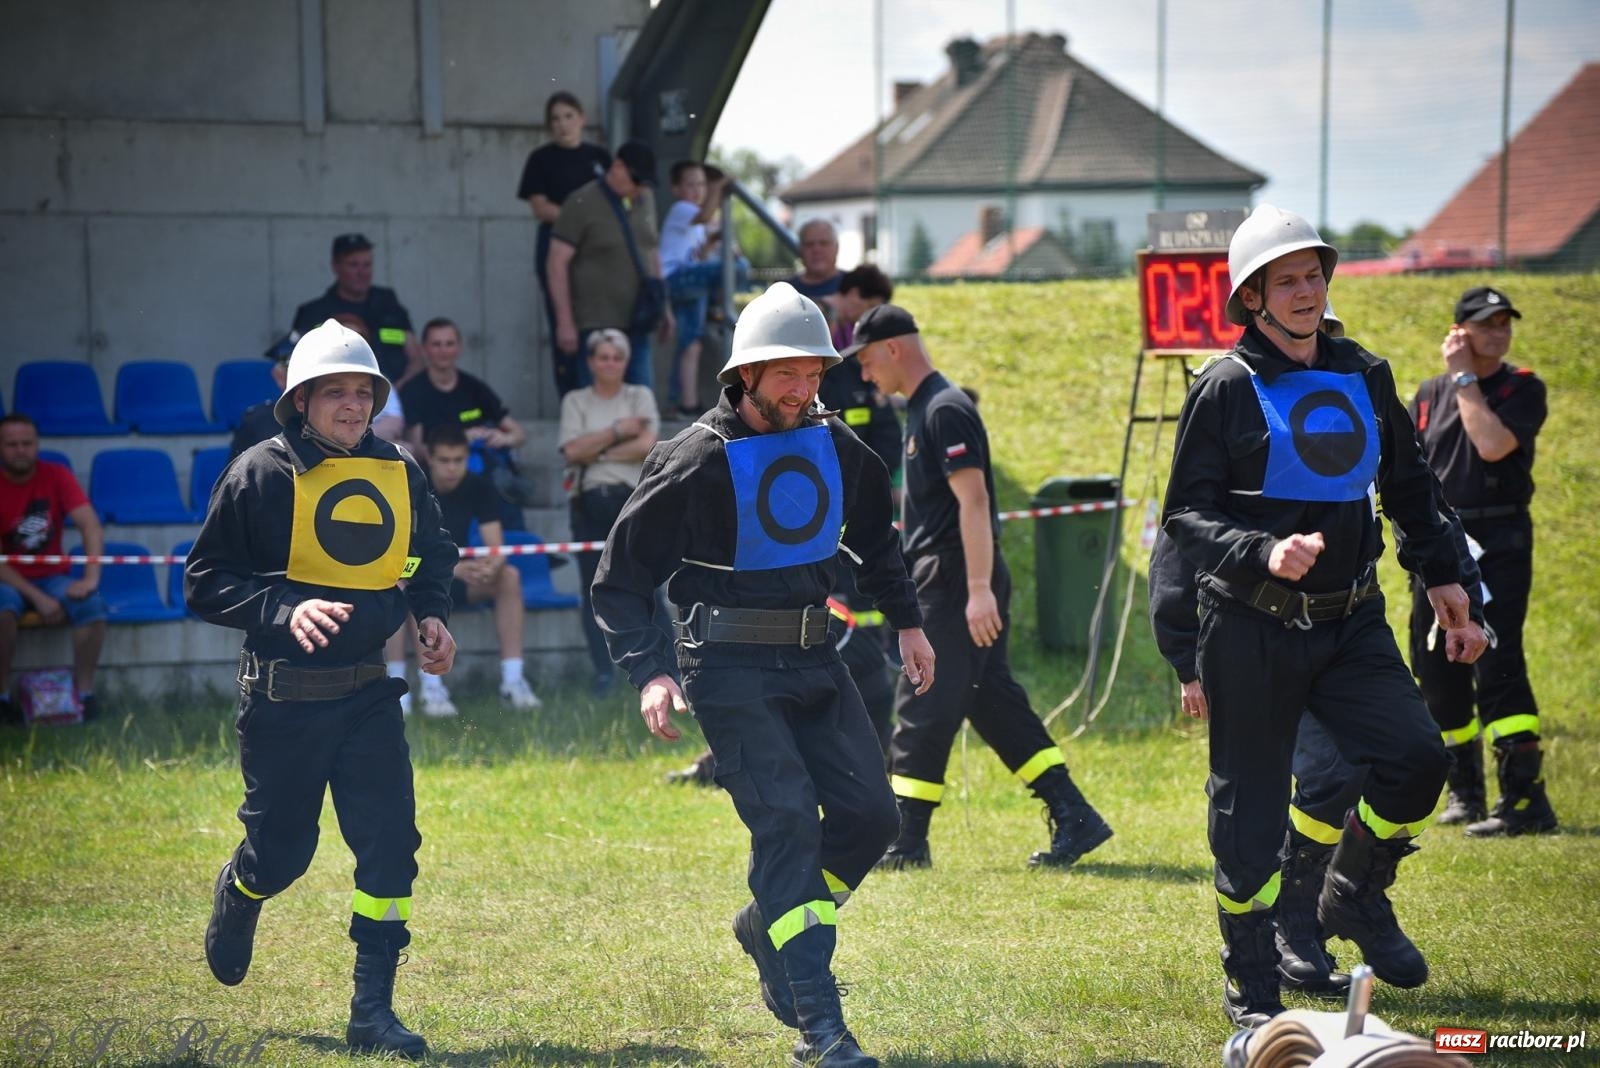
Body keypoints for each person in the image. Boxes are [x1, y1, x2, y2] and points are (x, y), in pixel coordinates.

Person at [590, 282, 935, 1068]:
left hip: (819, 659)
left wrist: (909, 623)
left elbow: (879, 542)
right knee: (784, 821)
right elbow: (619, 578)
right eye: (788, 374)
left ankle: (765, 924)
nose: (805, 390)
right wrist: (650, 672)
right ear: (743, 375)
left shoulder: (839, 446)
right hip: (728, 669)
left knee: (873, 819)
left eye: (815, 374)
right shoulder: (693, 460)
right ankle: (822, 1028)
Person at [1161, 205, 1484, 1027]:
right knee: (1250, 810)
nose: (1306, 292)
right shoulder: (1225, 387)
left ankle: (1352, 892)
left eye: (1314, 275)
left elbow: (1410, 489)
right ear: (1253, 297)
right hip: (1249, 625)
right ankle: (1252, 982)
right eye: (1286, 280)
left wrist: (1444, 579)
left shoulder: (1366, 374)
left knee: (1416, 758)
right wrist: (1259, 552)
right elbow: (1185, 516)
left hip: (1352, 619)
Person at [185, 319, 458, 1059]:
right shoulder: (258, 472)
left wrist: (432, 614)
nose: (351, 405)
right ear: (300, 400)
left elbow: (431, 554)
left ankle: (372, 1010)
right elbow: (203, 581)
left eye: (363, 392)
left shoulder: (400, 470)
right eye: (334, 392)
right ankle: (242, 888)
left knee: (391, 847)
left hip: (369, 695)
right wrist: (282, 607)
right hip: (280, 698)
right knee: (284, 856)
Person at [850, 304, 1112, 872]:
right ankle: (1075, 815)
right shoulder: (925, 409)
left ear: (893, 348)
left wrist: (977, 589)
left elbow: (975, 500)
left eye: (868, 361)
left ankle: (906, 840)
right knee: (992, 703)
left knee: (923, 695)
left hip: (952, 578)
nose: (866, 376)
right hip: (946, 575)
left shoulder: (944, 409)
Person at [1408, 286, 1556, 837]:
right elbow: (1409, 472)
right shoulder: (1426, 395)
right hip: (1440, 544)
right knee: (1437, 671)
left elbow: (1492, 446)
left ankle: (1524, 800)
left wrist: (1465, 379)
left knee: (1496, 662)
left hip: (1499, 539)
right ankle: (1464, 793)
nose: (1498, 331)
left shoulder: (1521, 388)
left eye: (1504, 322)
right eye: (1485, 323)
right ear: (1460, 330)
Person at [383, 423, 541, 717]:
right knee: (402, 582)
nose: (452, 468)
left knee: (509, 577)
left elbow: (495, 547)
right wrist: (453, 569)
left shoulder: (479, 485)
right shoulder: (411, 484)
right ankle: (414, 687)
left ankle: (513, 681)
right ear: (429, 457)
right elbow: (398, 555)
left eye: (459, 460)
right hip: (417, 573)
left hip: (458, 578)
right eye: (444, 460)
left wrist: (491, 565)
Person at [557, 329, 660, 697]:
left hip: (633, 501)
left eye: (617, 357)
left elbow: (647, 444)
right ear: (590, 362)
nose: (610, 363)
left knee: (646, 588)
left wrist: (596, 449)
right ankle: (604, 675)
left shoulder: (640, 395)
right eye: (603, 357)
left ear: (626, 362)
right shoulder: (575, 400)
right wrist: (619, 431)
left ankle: (664, 671)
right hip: (588, 503)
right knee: (594, 592)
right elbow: (570, 452)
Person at [0, 414, 109, 723]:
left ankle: (83, 697)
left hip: (52, 576)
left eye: (27, 443)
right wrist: (38, 598)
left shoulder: (56, 475)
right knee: (2, 608)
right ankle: (3, 698)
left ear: (37, 445)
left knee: (92, 605)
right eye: (11, 444)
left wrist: (90, 578)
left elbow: (90, 525)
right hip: (8, 578)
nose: (20, 450)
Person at [546, 141, 663, 394]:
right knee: (595, 406)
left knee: (642, 402)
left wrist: (666, 307)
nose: (641, 187)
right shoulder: (580, 201)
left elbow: (652, 251)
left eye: (645, 182)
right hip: (594, 324)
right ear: (618, 167)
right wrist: (564, 322)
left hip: (639, 319)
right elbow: (556, 262)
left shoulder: (645, 197)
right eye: (637, 179)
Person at [517, 90, 612, 370]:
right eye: (555, 118)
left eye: (568, 116)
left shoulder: (600, 158)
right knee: (564, 324)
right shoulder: (540, 158)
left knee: (601, 322)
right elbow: (539, 207)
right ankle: (570, 397)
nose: (562, 124)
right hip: (556, 244)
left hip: (596, 248)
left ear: (581, 118)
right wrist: (581, 223)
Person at [399, 318, 528, 522]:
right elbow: (419, 450)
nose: (443, 350)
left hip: (487, 474)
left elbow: (519, 434)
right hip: (442, 479)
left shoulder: (474, 387)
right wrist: (461, 440)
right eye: (436, 344)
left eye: (449, 344)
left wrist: (502, 438)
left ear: (459, 348)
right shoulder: (413, 391)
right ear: (424, 349)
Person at [661, 160, 747, 416]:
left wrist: (714, 239)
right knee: (738, 267)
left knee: (691, 342)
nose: (698, 190)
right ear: (676, 188)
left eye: (701, 184)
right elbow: (705, 215)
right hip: (677, 279)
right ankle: (717, 304)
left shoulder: (696, 225)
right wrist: (719, 187)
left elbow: (699, 255)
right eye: (691, 184)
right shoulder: (681, 209)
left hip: (690, 282)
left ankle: (684, 402)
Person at [292, 234, 424, 388]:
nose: (362, 272)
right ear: (335, 266)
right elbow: (298, 366)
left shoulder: (389, 304)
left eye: (367, 265)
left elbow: (417, 359)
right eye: (353, 265)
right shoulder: (314, 313)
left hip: (396, 400)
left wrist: (394, 392)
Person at [817, 265, 901, 483]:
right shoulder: (819, 315)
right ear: (854, 293)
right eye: (870, 306)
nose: (870, 316)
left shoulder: (843, 325)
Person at [785, 219, 845, 307]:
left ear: (836, 248)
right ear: (800, 250)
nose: (816, 250)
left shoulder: (855, 287)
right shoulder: (785, 292)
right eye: (809, 244)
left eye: (824, 243)